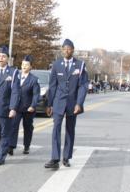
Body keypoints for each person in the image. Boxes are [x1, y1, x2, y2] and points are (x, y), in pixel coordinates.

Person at [44, 39, 89, 169]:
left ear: (73, 50)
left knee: (70, 130)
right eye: (64, 49)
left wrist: (79, 103)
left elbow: (83, 86)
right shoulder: (56, 64)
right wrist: (49, 104)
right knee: (56, 128)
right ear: (62, 50)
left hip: (72, 103)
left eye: (69, 49)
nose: (66, 51)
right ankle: (55, 158)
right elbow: (52, 85)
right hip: (58, 102)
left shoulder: (80, 65)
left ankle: (66, 157)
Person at [8, 55, 40, 155]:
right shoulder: (15, 76)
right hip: (16, 107)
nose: (24, 67)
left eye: (26, 65)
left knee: (27, 127)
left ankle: (26, 146)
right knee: (13, 126)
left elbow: (36, 95)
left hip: (28, 108)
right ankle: (11, 146)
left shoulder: (34, 79)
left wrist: (33, 106)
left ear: (30, 67)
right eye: (22, 65)